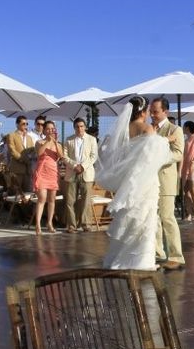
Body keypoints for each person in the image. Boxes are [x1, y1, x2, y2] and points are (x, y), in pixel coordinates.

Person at [97, 96, 171, 270]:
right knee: (144, 221)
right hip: (145, 182)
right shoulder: (147, 128)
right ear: (144, 112)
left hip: (128, 180)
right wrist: (166, 141)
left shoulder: (124, 130)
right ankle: (141, 262)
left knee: (129, 218)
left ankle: (121, 258)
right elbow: (151, 157)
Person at [150, 97, 185, 271]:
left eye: (155, 111)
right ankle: (158, 253)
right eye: (151, 111)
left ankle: (176, 256)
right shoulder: (150, 129)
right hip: (150, 180)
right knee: (154, 219)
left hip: (165, 180)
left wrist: (159, 158)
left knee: (167, 218)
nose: (152, 115)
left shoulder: (175, 130)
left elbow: (178, 154)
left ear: (165, 111)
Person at [62, 117, 98, 233]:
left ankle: (86, 224)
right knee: (70, 201)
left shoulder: (92, 139)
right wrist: (74, 166)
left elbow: (93, 156)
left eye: (82, 126)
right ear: (74, 128)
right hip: (72, 173)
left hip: (86, 173)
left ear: (85, 127)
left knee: (86, 200)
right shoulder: (68, 140)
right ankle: (72, 226)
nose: (79, 128)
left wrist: (82, 166)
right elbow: (64, 157)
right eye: (77, 126)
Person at [32, 121, 64, 234]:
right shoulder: (39, 142)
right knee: (42, 198)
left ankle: (50, 223)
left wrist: (54, 143)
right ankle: (38, 225)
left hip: (53, 172)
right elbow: (39, 153)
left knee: (52, 200)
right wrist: (48, 142)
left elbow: (61, 156)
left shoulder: (58, 144)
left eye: (52, 129)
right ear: (44, 130)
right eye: (48, 129)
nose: (50, 131)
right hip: (42, 172)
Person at [6, 115, 36, 193]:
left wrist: (29, 159)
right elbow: (12, 150)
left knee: (27, 192)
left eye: (27, 124)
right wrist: (23, 159)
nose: (25, 125)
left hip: (28, 170)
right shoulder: (11, 135)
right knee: (16, 193)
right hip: (17, 169)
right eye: (23, 124)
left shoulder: (29, 137)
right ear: (17, 124)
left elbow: (33, 150)